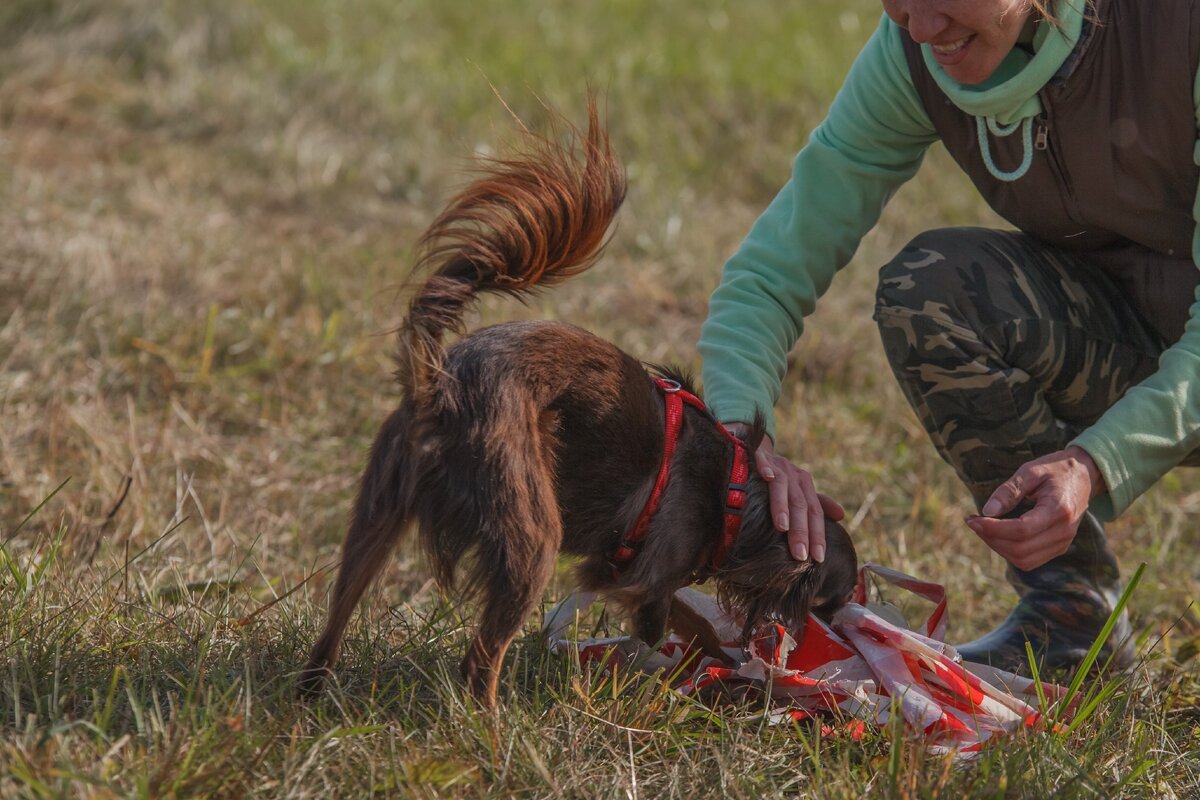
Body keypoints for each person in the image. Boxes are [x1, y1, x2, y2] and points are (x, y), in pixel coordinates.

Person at [698, 0, 1200, 672]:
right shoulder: (910, 54)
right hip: (1139, 336)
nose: (921, 27)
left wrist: (1096, 461)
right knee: (936, 291)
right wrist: (741, 441)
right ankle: (1072, 618)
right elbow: (770, 273)